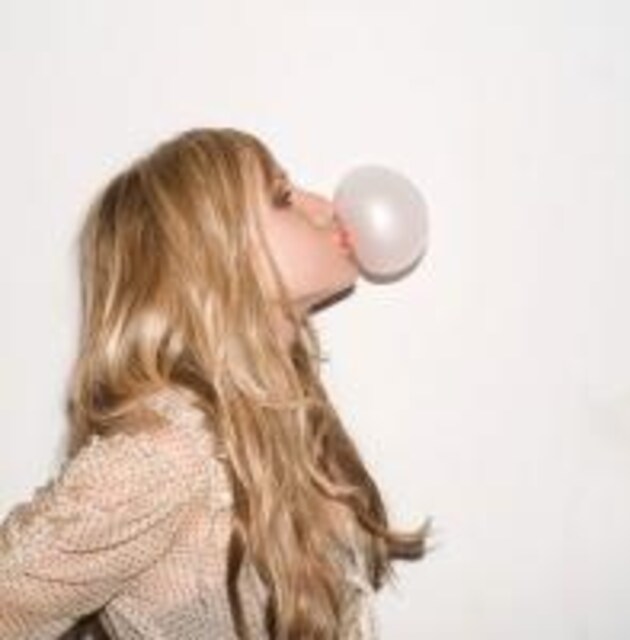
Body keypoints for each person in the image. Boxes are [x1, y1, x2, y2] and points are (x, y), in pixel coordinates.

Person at [0, 127, 433, 639]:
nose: (325, 207)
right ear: (208, 254)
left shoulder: (275, 411)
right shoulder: (169, 452)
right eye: (282, 197)